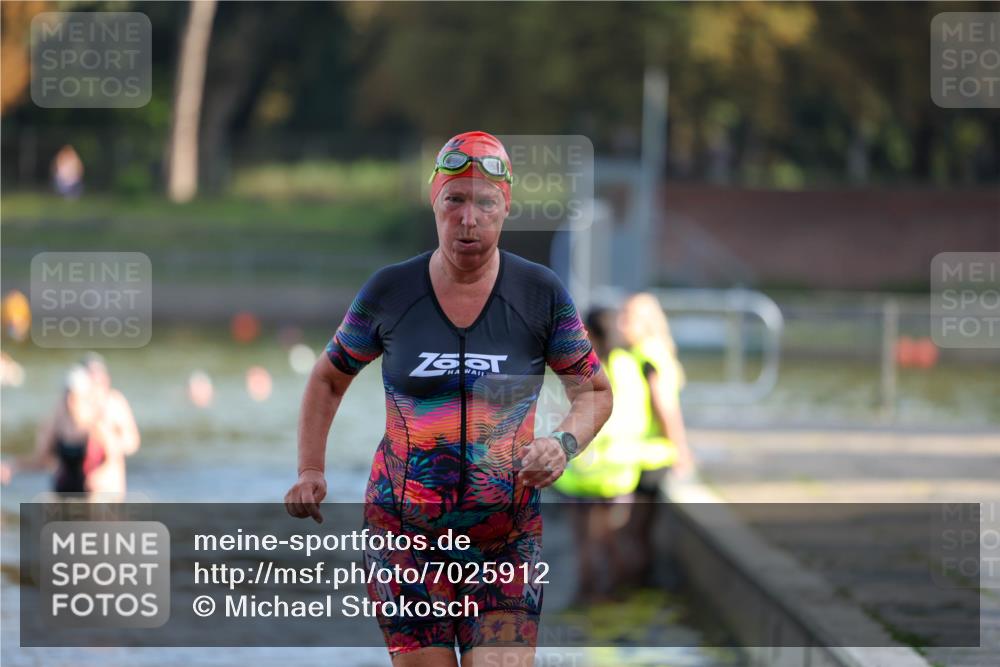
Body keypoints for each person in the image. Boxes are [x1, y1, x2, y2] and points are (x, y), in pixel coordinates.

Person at [284, 131, 613, 666]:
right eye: (454, 200)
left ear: (506, 207)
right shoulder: (391, 292)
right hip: (404, 538)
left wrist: (562, 444)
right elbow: (327, 379)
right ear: (434, 202)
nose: (468, 219)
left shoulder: (540, 294)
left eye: (485, 203)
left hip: (505, 541)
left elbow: (594, 391)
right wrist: (309, 470)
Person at [553, 307, 647, 603]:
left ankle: (588, 595)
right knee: (610, 540)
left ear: (589, 333)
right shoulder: (629, 364)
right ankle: (613, 597)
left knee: (585, 542)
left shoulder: (580, 368)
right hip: (617, 472)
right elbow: (637, 416)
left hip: (581, 473)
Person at [617, 293, 696, 587]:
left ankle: (633, 588)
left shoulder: (649, 355)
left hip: (650, 456)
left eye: (628, 318)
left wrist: (681, 450)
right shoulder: (646, 352)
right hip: (643, 454)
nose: (621, 324)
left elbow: (665, 407)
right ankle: (635, 587)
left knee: (635, 531)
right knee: (635, 531)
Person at [1, 366, 106, 493]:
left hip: (93, 493)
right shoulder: (55, 426)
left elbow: (114, 464)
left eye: (74, 396)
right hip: (63, 489)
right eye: (67, 395)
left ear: (85, 397)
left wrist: (101, 477)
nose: (69, 401)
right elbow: (40, 461)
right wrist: (13, 466)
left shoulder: (97, 425)